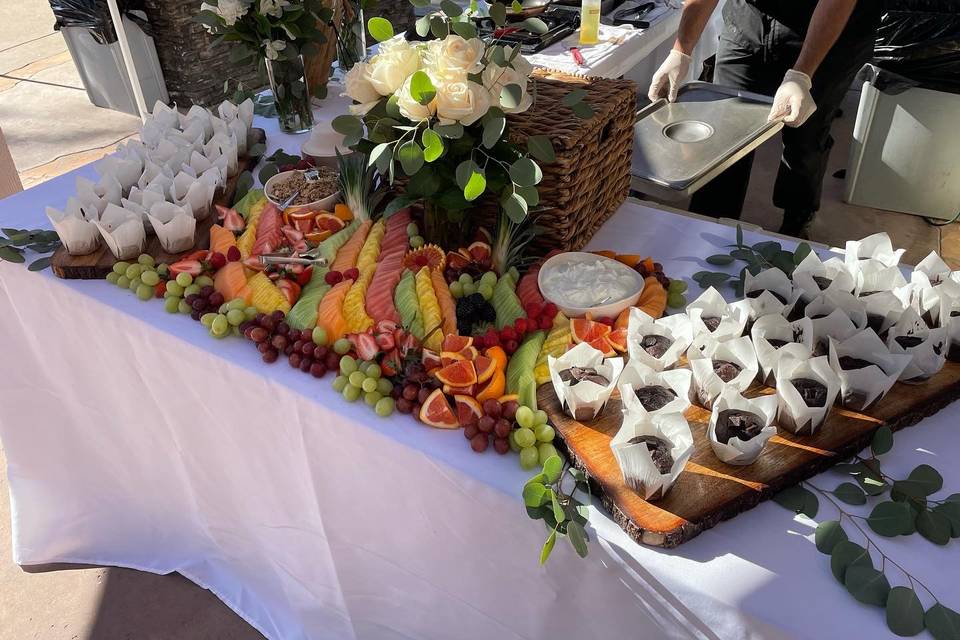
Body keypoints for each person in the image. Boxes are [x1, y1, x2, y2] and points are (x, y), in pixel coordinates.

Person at [648, 0, 880, 238]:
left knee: (805, 138)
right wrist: (681, 50)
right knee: (724, 133)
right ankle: (711, 222)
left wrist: (802, 74)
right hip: (750, 21)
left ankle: (797, 216)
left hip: (831, 32)